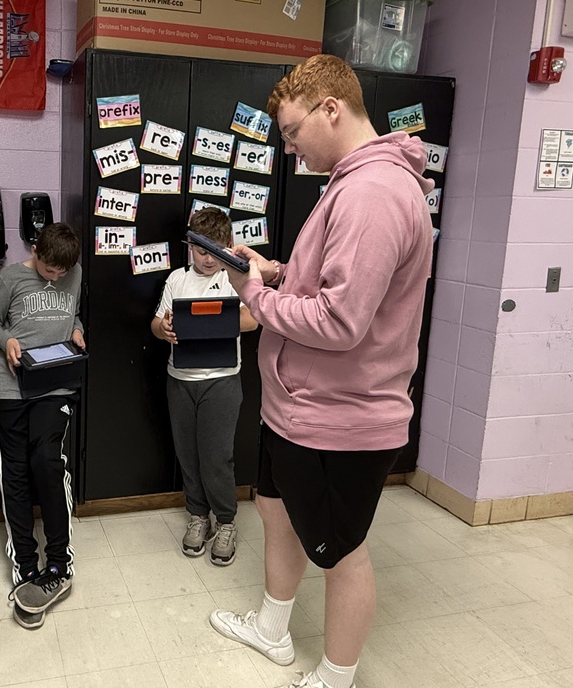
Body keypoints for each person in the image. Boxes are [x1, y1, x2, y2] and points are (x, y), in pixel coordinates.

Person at [209, 54, 435, 688]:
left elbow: (341, 322)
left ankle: (337, 675)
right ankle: (272, 629)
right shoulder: (348, 181)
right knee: (275, 511)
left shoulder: (372, 192)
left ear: (331, 108)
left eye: (291, 131)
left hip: (340, 418)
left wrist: (256, 297)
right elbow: (338, 283)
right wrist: (279, 272)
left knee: (341, 553)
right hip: (297, 406)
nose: (288, 148)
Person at [0, 222, 84, 630]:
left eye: (62, 272)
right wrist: (5, 339)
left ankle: (59, 562)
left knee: (47, 460)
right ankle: (26, 564)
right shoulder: (9, 277)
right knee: (16, 472)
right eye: (49, 270)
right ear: (35, 250)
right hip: (10, 386)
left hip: (55, 383)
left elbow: (75, 312)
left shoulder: (74, 271)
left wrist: (78, 329)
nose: (56, 277)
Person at [150, 207, 258, 565]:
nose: (208, 259)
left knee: (216, 457)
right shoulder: (176, 280)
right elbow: (156, 321)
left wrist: (211, 320)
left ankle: (225, 521)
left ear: (229, 246)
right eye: (200, 250)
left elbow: (252, 320)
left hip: (221, 381)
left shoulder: (237, 278)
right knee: (189, 456)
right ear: (189, 246)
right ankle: (199, 517)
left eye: (215, 251)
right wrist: (163, 329)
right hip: (180, 381)